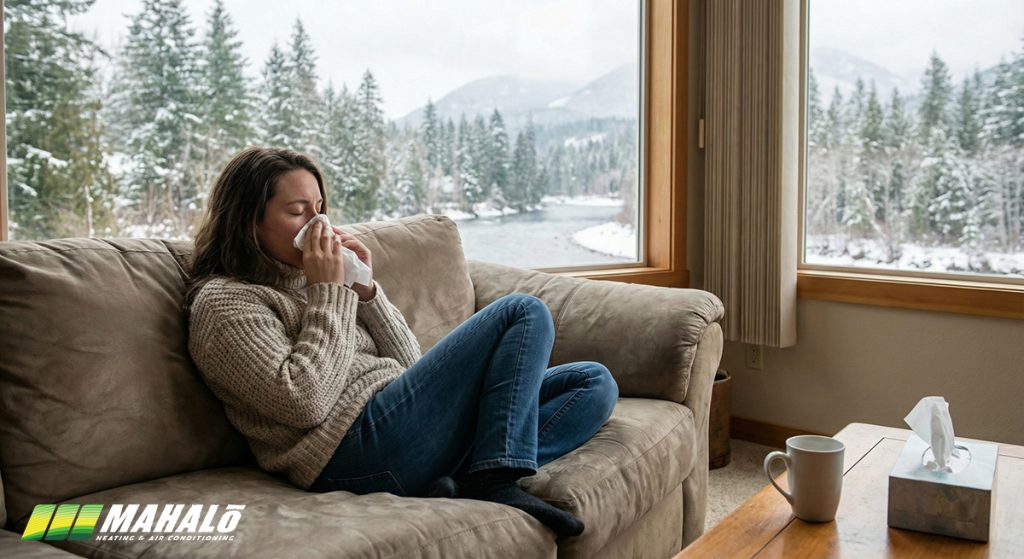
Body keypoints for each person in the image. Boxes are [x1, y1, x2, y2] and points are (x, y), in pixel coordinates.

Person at [184, 146, 619, 539]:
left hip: (399, 426)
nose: (318, 224)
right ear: (248, 222)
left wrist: (367, 292)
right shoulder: (226, 302)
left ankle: (472, 476)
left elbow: (411, 365)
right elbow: (304, 402)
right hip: (350, 453)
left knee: (591, 383)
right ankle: (493, 478)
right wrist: (330, 293)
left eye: (320, 209)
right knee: (522, 312)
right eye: (298, 212)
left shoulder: (315, 279)